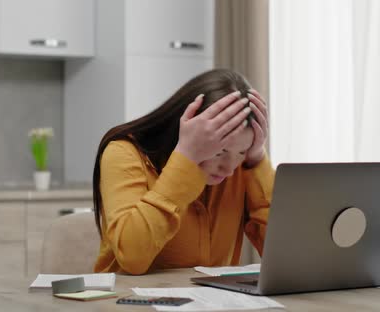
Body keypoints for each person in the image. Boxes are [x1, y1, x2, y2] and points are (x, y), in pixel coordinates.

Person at [92, 69, 274, 274]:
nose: (229, 168)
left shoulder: (243, 166)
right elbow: (133, 257)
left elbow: (282, 254)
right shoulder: (123, 153)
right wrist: (186, 157)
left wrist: (257, 160)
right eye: (220, 152)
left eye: (241, 151)